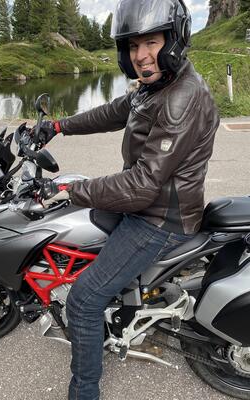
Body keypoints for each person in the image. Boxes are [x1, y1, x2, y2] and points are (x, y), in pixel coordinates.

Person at [38, 0, 220, 398]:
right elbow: (115, 110)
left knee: (84, 301)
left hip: (158, 219)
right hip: (148, 204)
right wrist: (58, 126)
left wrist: (69, 189)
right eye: (133, 46)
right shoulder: (160, 85)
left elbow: (141, 186)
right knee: (77, 235)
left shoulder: (180, 97)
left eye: (151, 42)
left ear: (173, 39)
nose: (140, 55)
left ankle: (84, 390)